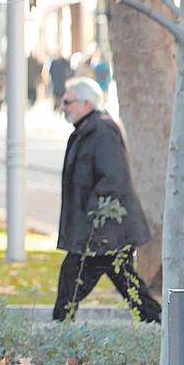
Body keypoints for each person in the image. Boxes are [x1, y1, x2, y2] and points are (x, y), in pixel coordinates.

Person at [53, 77, 161, 323]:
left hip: (104, 231)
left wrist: (93, 219)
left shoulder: (101, 130)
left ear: (86, 103)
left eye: (68, 101)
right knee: (126, 283)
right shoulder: (87, 129)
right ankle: (159, 323)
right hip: (102, 231)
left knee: (73, 277)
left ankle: (59, 327)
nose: (63, 106)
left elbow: (113, 178)